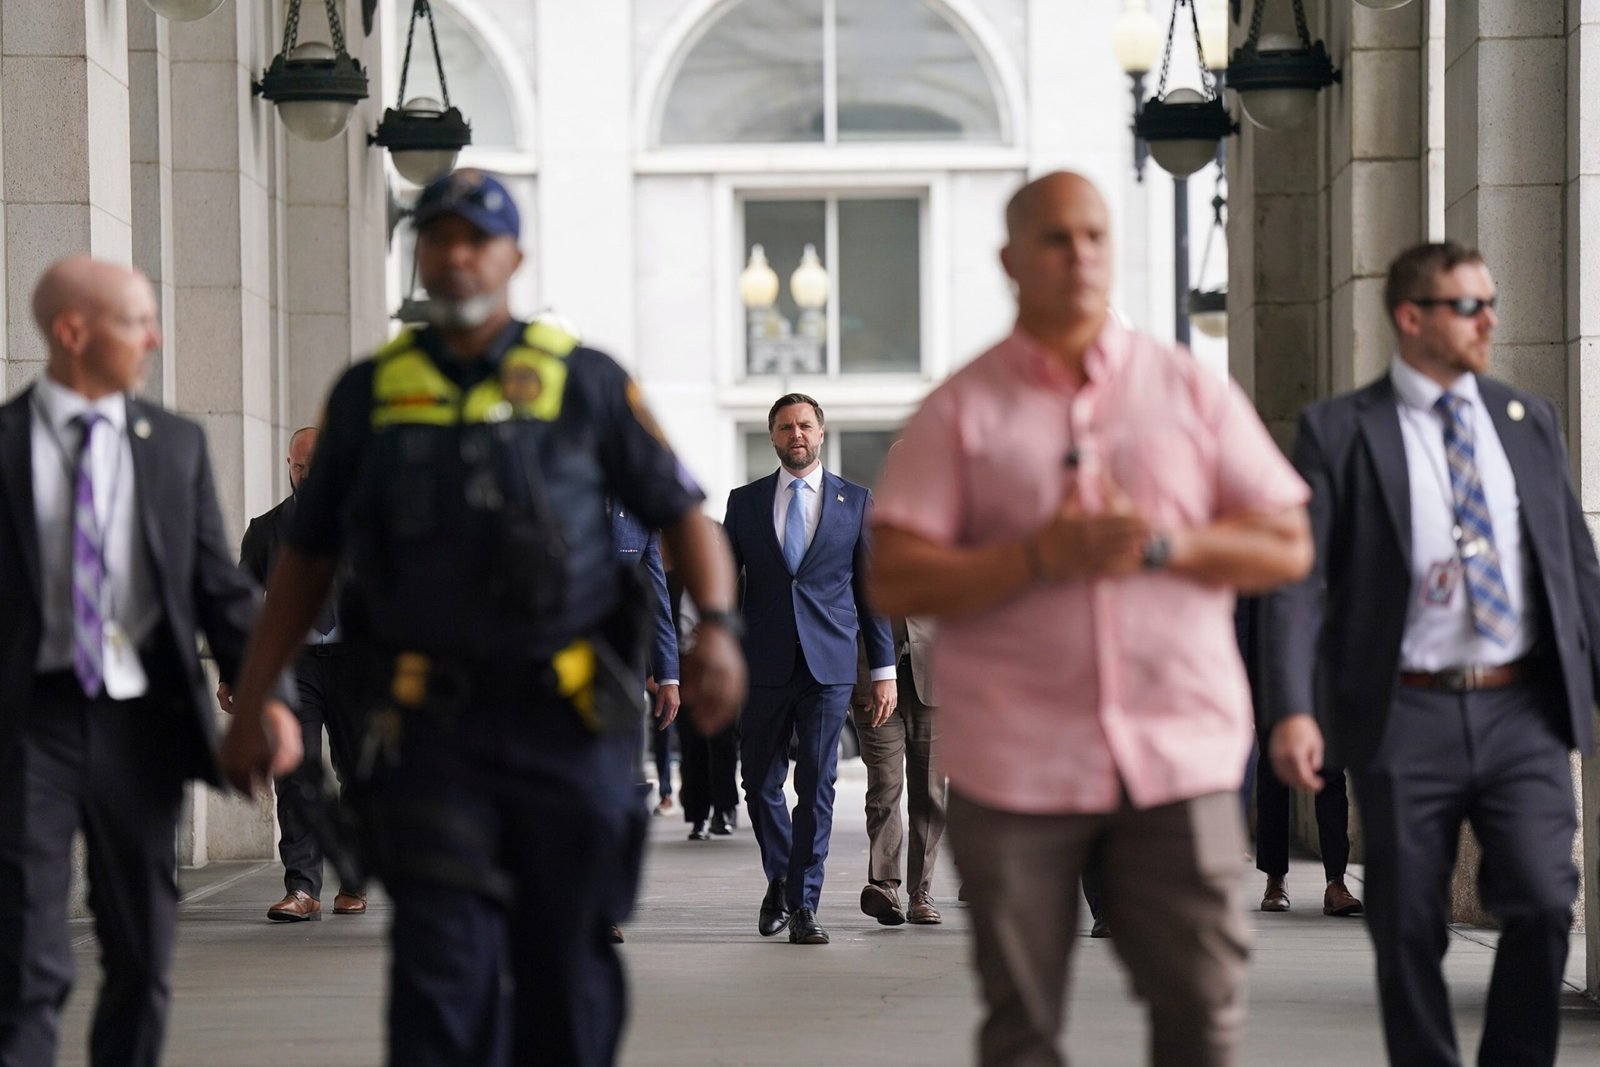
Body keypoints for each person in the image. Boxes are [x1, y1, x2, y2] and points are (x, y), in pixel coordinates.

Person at [219, 169, 744, 1067]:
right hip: (430, 731)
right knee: (439, 972)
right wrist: (257, 685)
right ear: (419, 254)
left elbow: (682, 513)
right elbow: (305, 562)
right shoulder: (369, 395)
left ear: (513, 256)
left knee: (566, 969)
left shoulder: (585, 380)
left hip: (566, 727)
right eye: (439, 237)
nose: (458, 255)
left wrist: (718, 632)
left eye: (478, 238)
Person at [868, 171, 1313, 1066]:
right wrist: (1035, 557)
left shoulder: (1187, 389)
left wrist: (1161, 546)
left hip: (1178, 754)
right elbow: (892, 571)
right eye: (1055, 238)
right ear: (1009, 259)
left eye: (1095, 236)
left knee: (1202, 1012)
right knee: (1022, 1026)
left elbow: (1287, 543)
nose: (1079, 255)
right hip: (1015, 762)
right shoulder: (961, 409)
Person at [1263, 240, 1599, 1067]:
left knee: (1547, 898)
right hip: (1404, 708)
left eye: (1490, 302)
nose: (1488, 319)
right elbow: (1295, 583)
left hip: (1521, 705)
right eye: (1468, 305)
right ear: (1412, 318)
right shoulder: (1341, 430)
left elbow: (1574, 564)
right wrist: (1292, 708)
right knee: (1407, 919)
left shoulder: (1527, 420)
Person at [0, 257, 296, 1066]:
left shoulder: (173, 446)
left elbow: (219, 589)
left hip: (142, 725)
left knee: (142, 945)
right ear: (72, 333)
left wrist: (269, 694)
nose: (154, 339)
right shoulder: (5, 445)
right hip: (31, 726)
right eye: (136, 321)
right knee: (24, 949)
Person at [724, 392, 895, 945]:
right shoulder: (744, 503)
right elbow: (726, 592)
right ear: (772, 437)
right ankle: (781, 876)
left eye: (804, 425)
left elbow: (872, 592)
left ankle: (803, 905)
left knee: (816, 785)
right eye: (783, 427)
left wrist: (885, 668)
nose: (795, 434)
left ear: (820, 433)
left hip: (830, 664)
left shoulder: (856, 501)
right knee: (759, 783)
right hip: (762, 663)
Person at [237, 426, 371, 922]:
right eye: (299, 466)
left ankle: (353, 880)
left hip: (354, 668)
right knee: (293, 772)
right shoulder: (267, 530)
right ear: (288, 467)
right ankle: (302, 887)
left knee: (356, 772)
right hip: (295, 668)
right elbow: (240, 608)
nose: (307, 474)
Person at [1237, 596, 1362, 917]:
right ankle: (1275, 878)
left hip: (1325, 664)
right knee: (1274, 771)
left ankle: (1336, 881)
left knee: (1330, 768)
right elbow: (1244, 612)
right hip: (1270, 669)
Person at [850, 612, 945, 926]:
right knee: (883, 786)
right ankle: (885, 886)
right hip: (870, 676)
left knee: (929, 791)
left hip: (935, 677)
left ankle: (921, 893)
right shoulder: (860, 558)